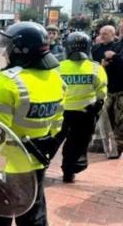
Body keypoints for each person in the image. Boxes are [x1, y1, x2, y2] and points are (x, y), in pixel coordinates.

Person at [0, 22, 65, 226]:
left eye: (8, 47)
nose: (5, 52)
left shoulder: (6, 82)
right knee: (34, 218)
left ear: (20, 50)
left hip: (3, 164)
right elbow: (56, 126)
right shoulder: (56, 78)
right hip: (35, 162)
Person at [56, 32, 107, 183]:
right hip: (85, 113)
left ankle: (40, 168)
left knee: (53, 140)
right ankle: (69, 172)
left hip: (61, 112)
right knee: (76, 143)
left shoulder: (58, 67)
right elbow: (102, 93)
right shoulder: (96, 69)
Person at [95, 25, 123, 157]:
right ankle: (102, 145)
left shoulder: (116, 48)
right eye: (121, 29)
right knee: (104, 118)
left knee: (120, 121)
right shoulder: (116, 46)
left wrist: (115, 57)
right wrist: (104, 64)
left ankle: (116, 149)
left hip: (121, 89)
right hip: (108, 89)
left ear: (112, 34)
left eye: (105, 33)